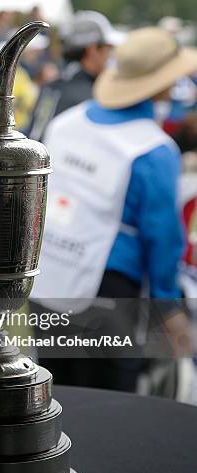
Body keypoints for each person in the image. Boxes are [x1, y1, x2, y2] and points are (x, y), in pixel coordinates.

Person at [30, 27, 197, 391]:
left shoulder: (66, 123)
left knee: (56, 400)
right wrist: (169, 309)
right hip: (107, 293)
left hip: (48, 280)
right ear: (163, 82)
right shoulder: (153, 149)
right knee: (110, 410)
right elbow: (163, 239)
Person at [26, 10, 124, 141]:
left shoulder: (51, 86)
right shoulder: (92, 95)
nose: (109, 56)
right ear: (92, 50)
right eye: (108, 49)